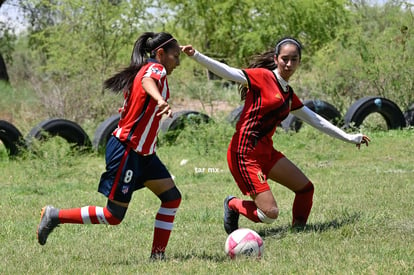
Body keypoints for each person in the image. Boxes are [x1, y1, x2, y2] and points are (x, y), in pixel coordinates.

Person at [181, 37, 370, 234]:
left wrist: (349, 137)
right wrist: (196, 56)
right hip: (244, 154)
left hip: (266, 152)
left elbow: (315, 119)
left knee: (306, 189)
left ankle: (298, 232)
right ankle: (232, 204)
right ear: (276, 58)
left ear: (299, 61)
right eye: (285, 59)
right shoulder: (262, 77)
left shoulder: (288, 94)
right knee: (269, 214)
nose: (289, 64)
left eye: (294, 59)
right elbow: (229, 72)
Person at [37, 32, 182, 260]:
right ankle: (55, 215)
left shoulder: (141, 69)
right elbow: (148, 82)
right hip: (127, 151)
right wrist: (161, 100)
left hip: (144, 154)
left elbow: (132, 104)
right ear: (161, 53)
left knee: (172, 197)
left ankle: (158, 256)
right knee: (113, 215)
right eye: (176, 56)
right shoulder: (155, 70)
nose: (178, 62)